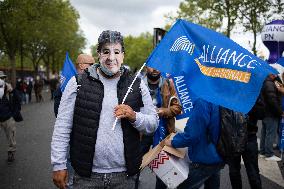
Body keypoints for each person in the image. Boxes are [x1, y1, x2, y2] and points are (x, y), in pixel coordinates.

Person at [51, 30, 158, 189]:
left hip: (125, 176)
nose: (111, 58)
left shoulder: (137, 83)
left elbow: (153, 123)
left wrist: (134, 116)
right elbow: (62, 126)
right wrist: (58, 164)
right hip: (86, 176)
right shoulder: (78, 82)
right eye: (106, 51)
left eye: (116, 52)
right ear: (98, 54)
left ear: (123, 55)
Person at [53, 53, 95, 189]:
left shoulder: (94, 83)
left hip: (88, 141)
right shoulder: (67, 85)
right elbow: (60, 115)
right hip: (73, 140)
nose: (95, 67)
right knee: (72, 180)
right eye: (92, 65)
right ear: (82, 65)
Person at [164, 98, 224, 189]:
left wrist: (173, 142)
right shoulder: (225, 97)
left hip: (204, 157)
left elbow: (192, 135)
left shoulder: (204, 100)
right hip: (221, 154)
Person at [138, 66, 181, 189]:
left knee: (162, 169)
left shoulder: (168, 83)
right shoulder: (138, 83)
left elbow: (177, 108)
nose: (155, 69)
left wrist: (162, 111)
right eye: (152, 66)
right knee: (135, 167)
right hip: (142, 132)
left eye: (158, 67)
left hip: (163, 131)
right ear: (146, 67)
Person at [0, 71, 22, 163]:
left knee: (11, 137)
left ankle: (11, 153)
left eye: (2, 78)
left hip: (8, 117)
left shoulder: (9, 89)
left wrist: (12, 91)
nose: (1, 80)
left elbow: (18, 100)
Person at [260, 74, 282, 161]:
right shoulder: (270, 84)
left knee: (265, 132)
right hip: (271, 113)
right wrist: (280, 112)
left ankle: (263, 152)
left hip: (265, 112)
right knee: (270, 133)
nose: (277, 75)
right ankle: (269, 154)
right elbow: (272, 100)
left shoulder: (266, 82)